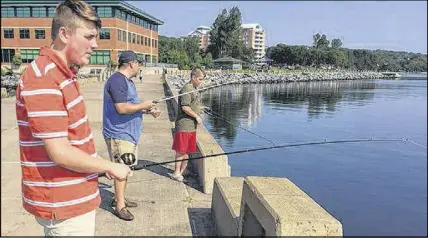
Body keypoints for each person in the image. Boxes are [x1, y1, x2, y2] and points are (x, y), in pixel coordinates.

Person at [15, 0, 131, 236]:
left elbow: (73, 139)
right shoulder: (44, 78)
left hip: (74, 199)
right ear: (65, 34)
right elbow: (60, 152)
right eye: (89, 37)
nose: (95, 45)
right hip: (64, 205)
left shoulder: (64, 73)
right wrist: (109, 166)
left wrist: (96, 163)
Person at [102, 50, 161, 221]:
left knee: (126, 169)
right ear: (131, 63)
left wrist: (148, 110)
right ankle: (119, 206)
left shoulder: (127, 81)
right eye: (139, 63)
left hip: (129, 134)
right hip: (120, 134)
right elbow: (121, 108)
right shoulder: (117, 81)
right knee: (121, 170)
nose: (140, 67)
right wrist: (144, 104)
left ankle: (121, 198)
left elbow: (131, 106)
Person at [170, 68, 205, 182]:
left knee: (187, 151)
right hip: (184, 125)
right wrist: (196, 116)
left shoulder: (194, 88)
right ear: (193, 77)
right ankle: (176, 172)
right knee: (181, 150)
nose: (201, 82)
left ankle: (182, 172)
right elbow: (185, 107)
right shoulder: (186, 89)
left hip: (191, 126)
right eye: (200, 79)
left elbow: (193, 104)